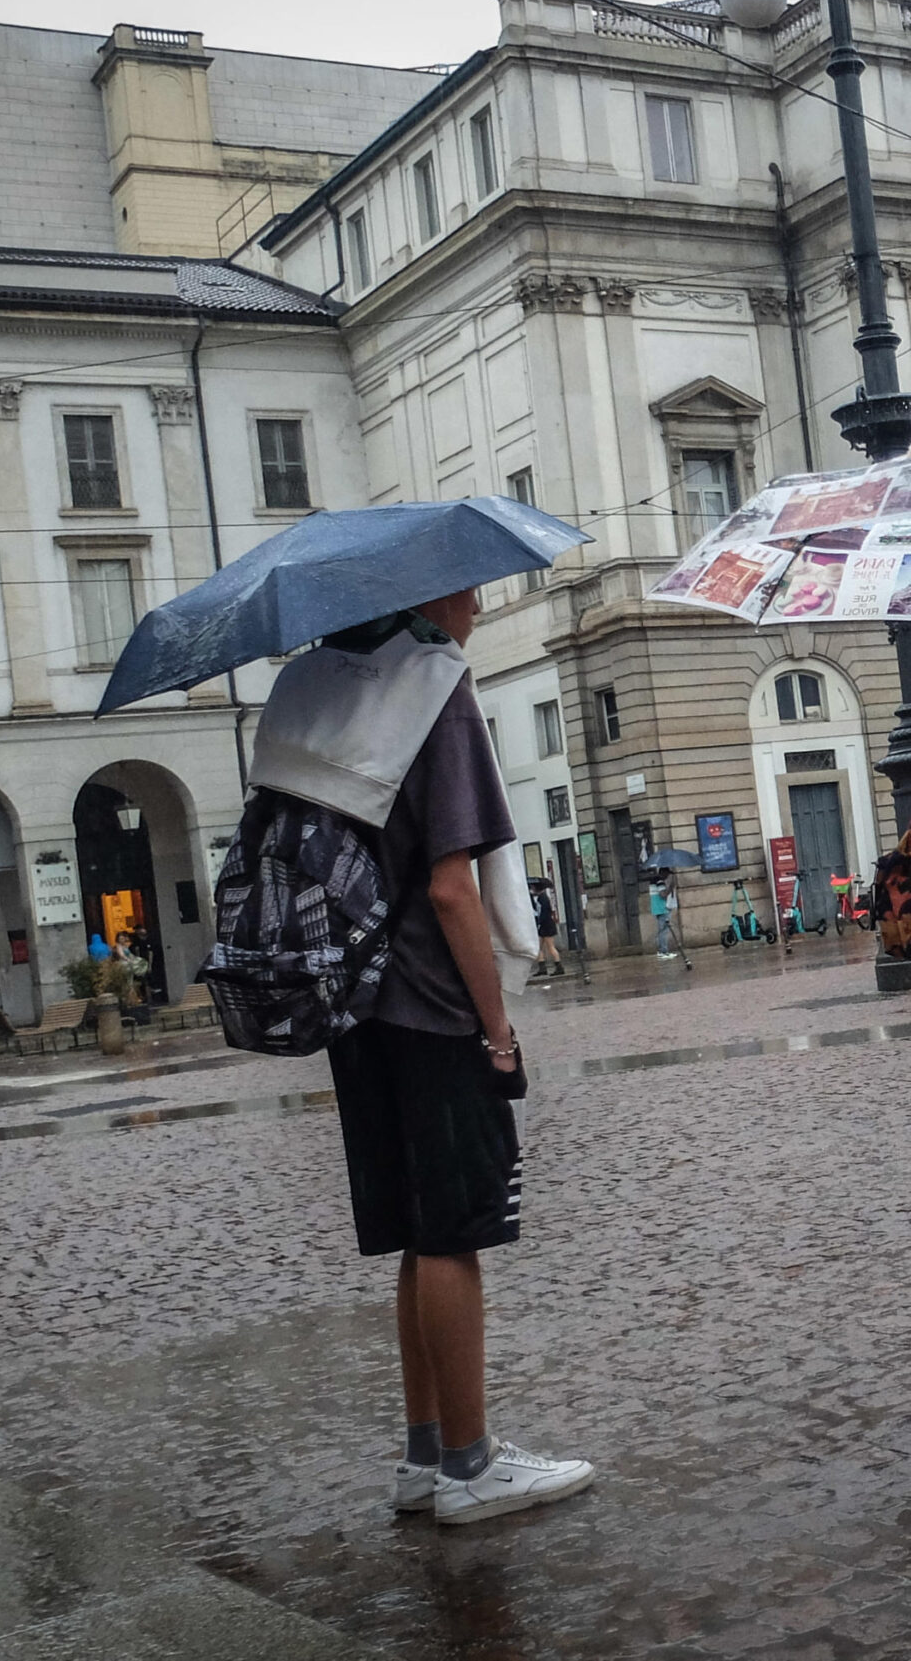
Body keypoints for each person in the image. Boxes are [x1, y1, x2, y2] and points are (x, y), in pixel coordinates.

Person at [258, 589, 593, 1525]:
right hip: (432, 1002)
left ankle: (424, 1453)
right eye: (469, 585)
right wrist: (498, 1027)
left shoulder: (314, 686)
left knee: (416, 1229)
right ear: (430, 593)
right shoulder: (435, 690)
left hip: (349, 997)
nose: (481, 602)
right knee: (453, 1231)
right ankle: (472, 1463)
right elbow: (454, 890)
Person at [529, 879, 563, 978]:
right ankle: (542, 967)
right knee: (538, 947)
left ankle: (559, 966)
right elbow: (537, 909)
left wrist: (539, 924)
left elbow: (541, 913)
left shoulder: (543, 898)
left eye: (533, 887)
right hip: (545, 926)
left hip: (546, 926)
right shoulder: (541, 898)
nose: (532, 889)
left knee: (550, 947)